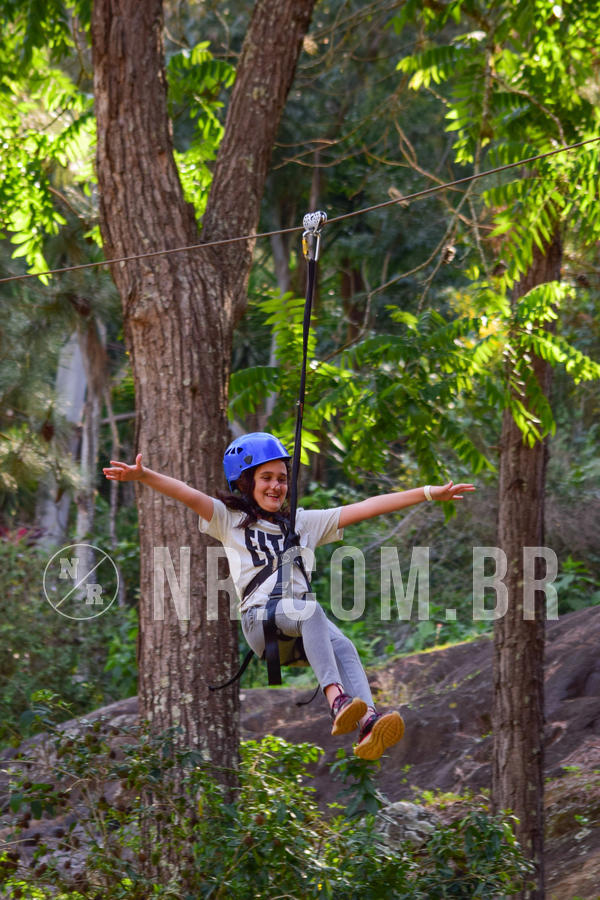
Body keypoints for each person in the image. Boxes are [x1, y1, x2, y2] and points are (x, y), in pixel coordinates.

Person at [103, 432, 475, 761]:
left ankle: (368, 723)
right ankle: (337, 700)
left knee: (344, 646)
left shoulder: (302, 523)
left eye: (282, 478)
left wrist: (429, 493)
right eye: (266, 478)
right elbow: (187, 494)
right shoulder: (228, 520)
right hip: (261, 622)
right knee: (311, 611)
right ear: (246, 482)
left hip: (299, 630)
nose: (276, 486)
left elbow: (367, 507)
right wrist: (144, 476)